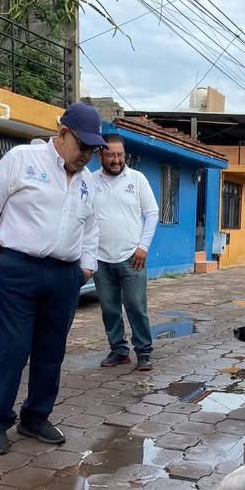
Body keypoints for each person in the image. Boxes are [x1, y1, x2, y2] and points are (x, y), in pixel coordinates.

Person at [0, 103, 105, 455]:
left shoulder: (88, 183)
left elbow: (91, 228)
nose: (88, 156)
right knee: (13, 348)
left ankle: (35, 417)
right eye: (83, 147)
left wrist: (86, 269)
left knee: (51, 352)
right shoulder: (22, 160)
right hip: (18, 269)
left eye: (94, 150)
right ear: (63, 134)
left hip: (65, 275)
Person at [93, 134, 159, 371]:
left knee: (135, 306)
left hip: (132, 257)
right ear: (100, 154)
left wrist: (143, 247)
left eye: (120, 155)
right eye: (110, 154)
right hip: (101, 259)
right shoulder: (91, 181)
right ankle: (118, 351)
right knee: (109, 309)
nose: (116, 159)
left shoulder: (137, 179)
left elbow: (152, 213)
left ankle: (143, 352)